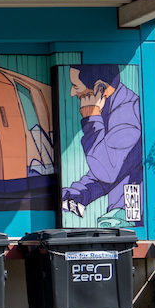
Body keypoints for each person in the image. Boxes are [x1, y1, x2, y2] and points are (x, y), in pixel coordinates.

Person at [62, 64, 142, 220]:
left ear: (100, 88)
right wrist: (75, 194)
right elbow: (105, 170)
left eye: (76, 86)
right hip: (122, 211)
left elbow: (107, 170)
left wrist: (91, 119)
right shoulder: (113, 106)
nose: (73, 93)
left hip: (129, 213)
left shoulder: (127, 116)